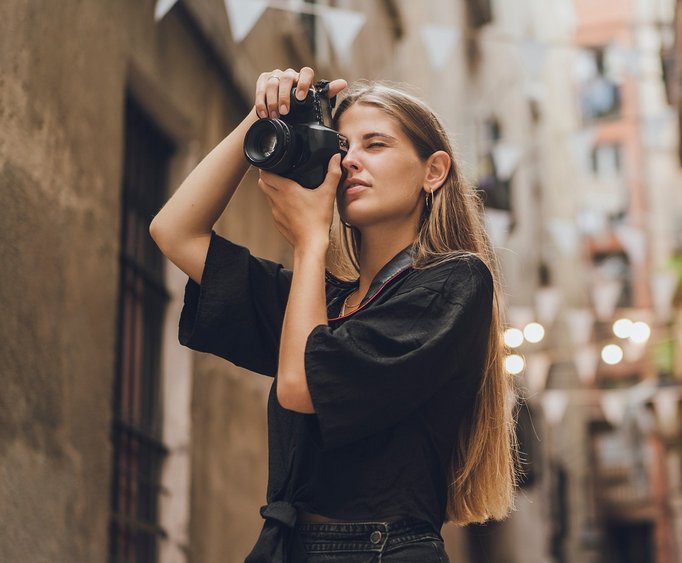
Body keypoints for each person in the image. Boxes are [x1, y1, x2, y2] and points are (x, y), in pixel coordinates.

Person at [149, 67, 519, 563]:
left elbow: (300, 387)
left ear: (433, 171)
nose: (351, 162)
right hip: (290, 546)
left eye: (376, 145)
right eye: (342, 147)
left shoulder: (456, 282)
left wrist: (309, 243)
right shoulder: (319, 302)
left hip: (386, 550)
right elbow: (175, 232)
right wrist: (260, 118)